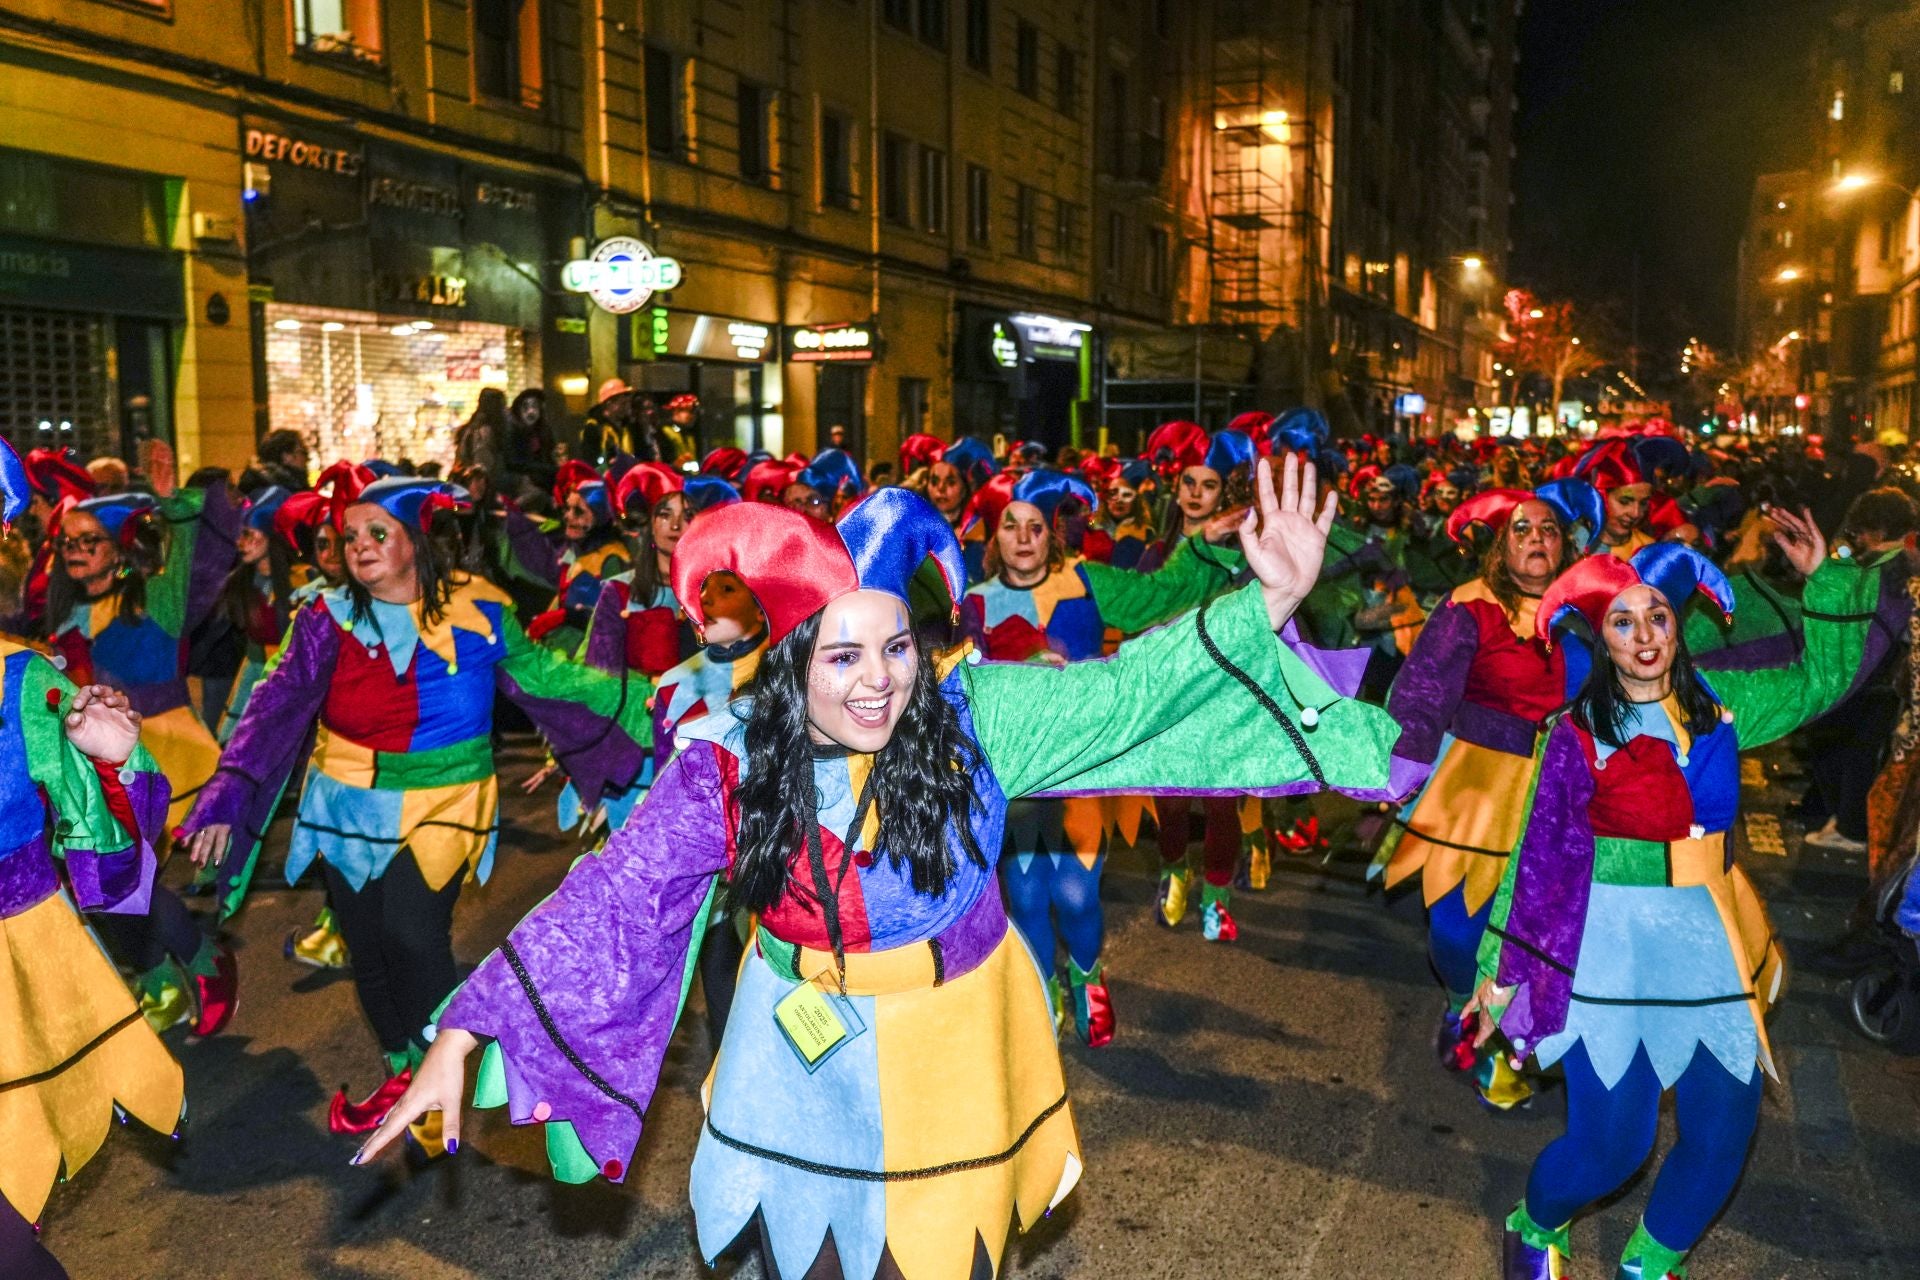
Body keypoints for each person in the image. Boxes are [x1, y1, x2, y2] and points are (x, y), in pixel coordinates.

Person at [354, 460, 1407, 1280]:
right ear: (794, 660)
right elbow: (608, 898)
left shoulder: (978, 717)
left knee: (931, 1255)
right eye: (843, 655)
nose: (877, 681)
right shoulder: (728, 767)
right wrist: (466, 1025)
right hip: (797, 1043)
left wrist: (1261, 602)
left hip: (950, 1032)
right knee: (809, 1258)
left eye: (896, 648)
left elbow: (1130, 692)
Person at [180, 477, 654, 1150]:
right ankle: (404, 1067)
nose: (359, 547)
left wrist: (647, 702)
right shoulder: (324, 619)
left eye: (377, 533)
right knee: (366, 947)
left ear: (416, 540)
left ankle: (439, 1072)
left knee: (411, 933)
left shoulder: (478, 610)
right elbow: (276, 700)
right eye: (350, 537)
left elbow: (547, 678)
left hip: (447, 799)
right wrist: (230, 785)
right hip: (345, 801)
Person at [1471, 517, 1880, 1280]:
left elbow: (1825, 682)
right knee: (1611, 1148)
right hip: (1610, 949)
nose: (1645, 633)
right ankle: (1535, 1223)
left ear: (1677, 623)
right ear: (1602, 636)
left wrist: (1826, 577)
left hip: (1704, 946)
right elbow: (1539, 858)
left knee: (1725, 1132)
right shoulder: (1572, 730)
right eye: (1623, 621)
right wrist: (1501, 968)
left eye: (1657, 614)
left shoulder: (1721, 704)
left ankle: (1650, 1262)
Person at [962, 468, 1249, 1036]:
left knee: (1074, 895)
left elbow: (1159, 598)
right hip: (1017, 776)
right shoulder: (974, 602)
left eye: (1035, 527)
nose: (1023, 538)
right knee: (1023, 895)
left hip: (1083, 769)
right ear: (994, 538)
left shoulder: (1087, 582)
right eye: (1010, 526)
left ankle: (1088, 979)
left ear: (1052, 535)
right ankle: (1046, 990)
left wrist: (1203, 546)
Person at [1373, 481, 1596, 1109]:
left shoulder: (1587, 614)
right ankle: (1459, 1006)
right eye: (1521, 530)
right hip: (1475, 788)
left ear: (1566, 544)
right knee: (1454, 928)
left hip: (1559, 792)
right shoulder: (1469, 605)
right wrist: (1401, 769)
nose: (1535, 540)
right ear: (1502, 545)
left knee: (1536, 928)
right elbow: (1422, 694)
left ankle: (1503, 1038)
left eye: (1548, 530)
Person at [43, 482, 242, 1036]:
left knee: (124, 877)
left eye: (90, 541)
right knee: (100, 882)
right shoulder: (66, 615)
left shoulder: (158, 597)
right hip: (92, 765)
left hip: (163, 757)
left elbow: (202, 533)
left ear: (121, 547)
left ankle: (205, 961)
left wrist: (168, 499)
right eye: (67, 543)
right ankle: (160, 981)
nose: (75, 551)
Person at [527, 462, 629, 656]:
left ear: (599, 518)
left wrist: (570, 617)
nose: (568, 516)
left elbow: (617, 622)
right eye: (568, 508)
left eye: (579, 512)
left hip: (591, 661)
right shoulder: (575, 553)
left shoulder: (614, 559)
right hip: (560, 651)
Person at [453, 387, 508, 479]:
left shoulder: (472, 428)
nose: (505, 410)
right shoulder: (483, 432)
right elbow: (482, 466)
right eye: (503, 405)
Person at [237, 428, 311, 495]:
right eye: (303, 452)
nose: (308, 458)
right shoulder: (286, 491)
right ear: (286, 457)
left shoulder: (258, 484)